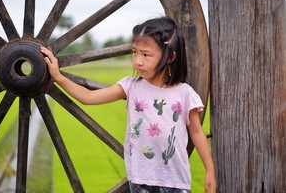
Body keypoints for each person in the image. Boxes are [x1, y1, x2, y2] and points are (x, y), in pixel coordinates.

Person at [40, 16, 217, 193]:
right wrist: (58, 77)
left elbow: (196, 132)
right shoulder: (131, 87)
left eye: (146, 54)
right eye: (134, 52)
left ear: (170, 57)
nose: (138, 61)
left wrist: (209, 170)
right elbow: (89, 97)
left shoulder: (184, 93)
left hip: (175, 182)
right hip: (140, 180)